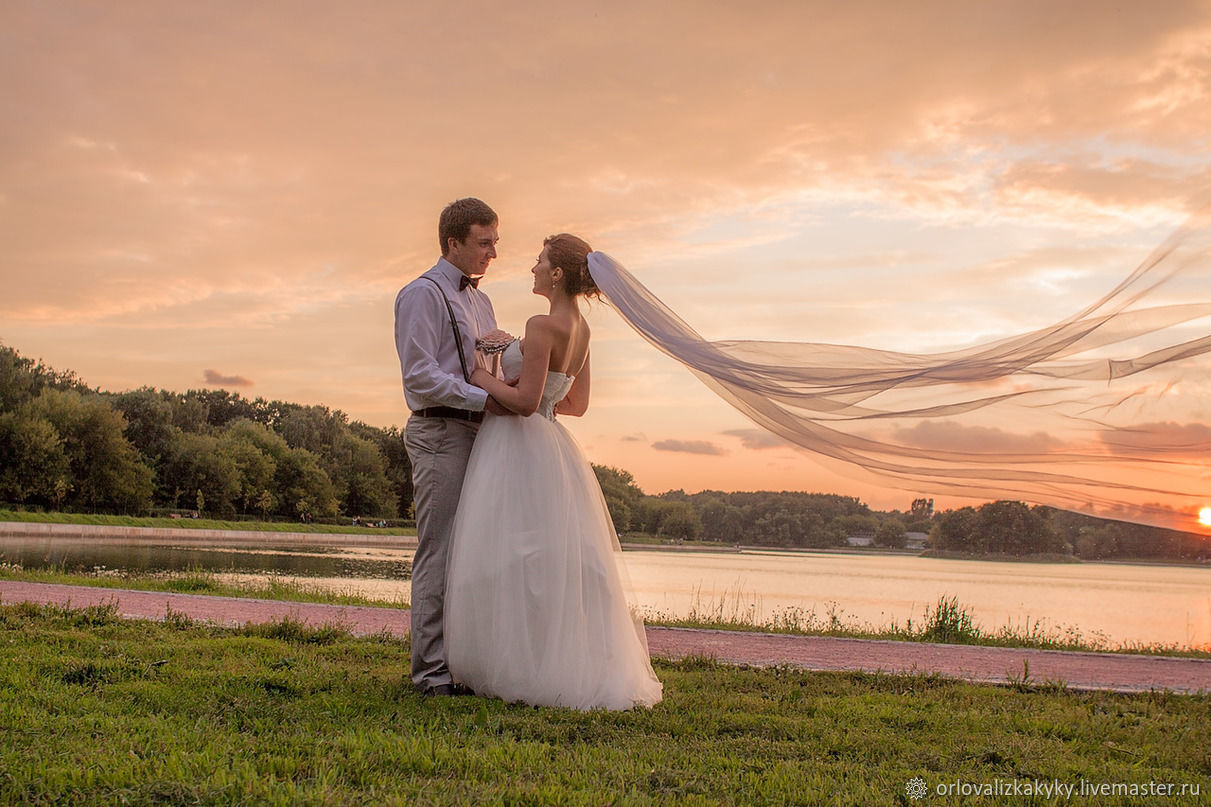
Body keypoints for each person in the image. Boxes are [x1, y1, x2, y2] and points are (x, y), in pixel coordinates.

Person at [444, 234, 663, 710]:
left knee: (510, 552)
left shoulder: (541, 324)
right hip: (554, 447)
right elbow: (576, 404)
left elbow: (524, 403)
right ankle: (559, 659)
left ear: (558, 274)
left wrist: (483, 374)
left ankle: (517, 663)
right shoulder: (582, 331)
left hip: (517, 444)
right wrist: (534, 388)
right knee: (551, 557)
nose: (534, 268)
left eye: (540, 261)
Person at [394, 197, 506, 697]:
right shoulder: (421, 294)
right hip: (439, 433)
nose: (492, 253)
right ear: (453, 242)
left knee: (475, 551)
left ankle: (461, 662)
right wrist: (486, 400)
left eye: (495, 242)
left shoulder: (482, 302)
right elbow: (419, 376)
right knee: (438, 552)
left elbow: (481, 370)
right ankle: (431, 673)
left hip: (482, 433)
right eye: (484, 243)